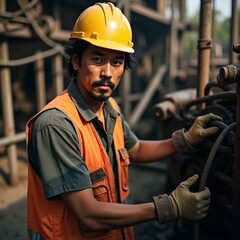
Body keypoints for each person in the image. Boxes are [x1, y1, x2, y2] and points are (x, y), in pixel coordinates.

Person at [26, 2, 222, 240]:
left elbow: (135, 149)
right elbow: (88, 214)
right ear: (76, 61)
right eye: (98, 59)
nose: (107, 72)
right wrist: (169, 207)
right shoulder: (56, 125)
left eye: (117, 62)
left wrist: (185, 139)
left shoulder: (110, 108)